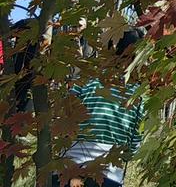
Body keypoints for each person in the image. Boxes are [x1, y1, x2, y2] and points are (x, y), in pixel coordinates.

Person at [57, 29, 144, 187]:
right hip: (108, 174)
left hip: (70, 167)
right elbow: (133, 147)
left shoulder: (85, 80)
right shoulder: (138, 95)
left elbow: (63, 118)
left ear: (110, 49)